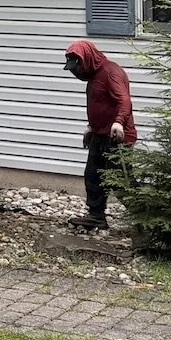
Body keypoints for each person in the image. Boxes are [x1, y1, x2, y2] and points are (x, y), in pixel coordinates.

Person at [63, 39, 137, 230]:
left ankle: (145, 223)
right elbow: (100, 104)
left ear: (87, 59)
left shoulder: (111, 72)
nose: (76, 73)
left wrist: (119, 123)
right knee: (93, 175)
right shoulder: (94, 75)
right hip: (99, 134)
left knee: (122, 182)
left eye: (77, 68)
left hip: (116, 136)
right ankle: (96, 216)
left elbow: (124, 101)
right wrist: (91, 127)